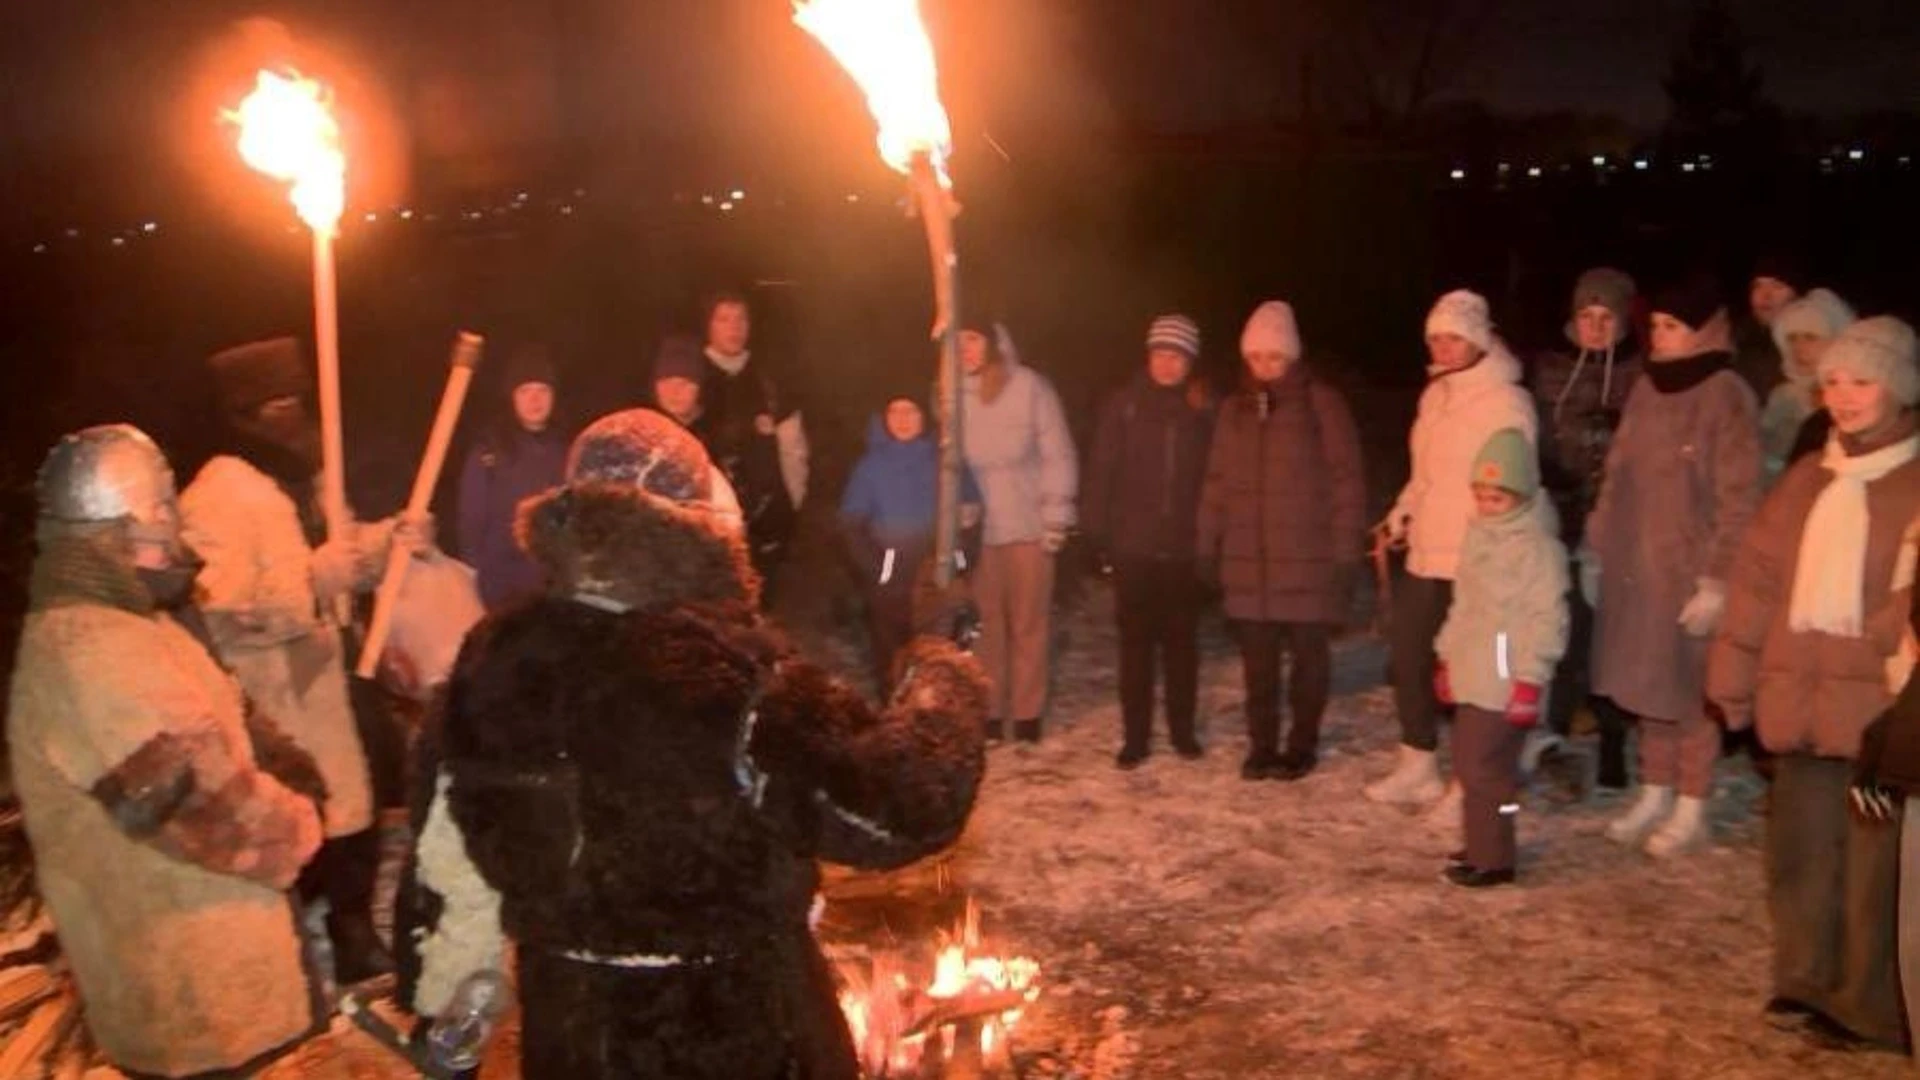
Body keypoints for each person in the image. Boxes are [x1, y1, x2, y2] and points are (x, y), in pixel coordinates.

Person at [414, 409, 990, 1077]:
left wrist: (455, 1002)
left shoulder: (493, 660)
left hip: (576, 1038)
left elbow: (445, 859)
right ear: (702, 524)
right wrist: (941, 672)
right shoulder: (726, 674)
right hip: (739, 1035)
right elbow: (899, 802)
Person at [8, 425, 326, 1077]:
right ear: (117, 528)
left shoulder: (136, 628)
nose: (177, 531)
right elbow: (192, 803)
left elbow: (230, 720)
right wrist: (297, 824)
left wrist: (285, 766)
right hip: (190, 1004)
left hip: (218, 985)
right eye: (161, 510)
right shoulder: (88, 650)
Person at [180, 337, 432, 983]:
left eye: (297, 399)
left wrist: (388, 540)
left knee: (360, 803)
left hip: (333, 676)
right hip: (275, 696)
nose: (291, 416)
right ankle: (293, 940)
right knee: (301, 814)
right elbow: (214, 606)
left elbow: (341, 553)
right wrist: (309, 583)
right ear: (245, 414)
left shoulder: (312, 480)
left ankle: (350, 935)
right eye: (274, 403)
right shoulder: (219, 493)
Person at [1710, 317, 1920, 1052]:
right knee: (1802, 850)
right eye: (1832, 381)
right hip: (1798, 697)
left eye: (1863, 380)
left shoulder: (1914, 483)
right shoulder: (1807, 478)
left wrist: (1889, 628)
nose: (1844, 396)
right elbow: (1756, 585)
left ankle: (1869, 1003)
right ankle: (1803, 976)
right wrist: (1733, 679)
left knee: (1875, 869)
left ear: (1900, 387)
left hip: (1877, 708)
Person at [1584, 273, 1760, 857]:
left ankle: (1693, 803)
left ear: (1704, 331)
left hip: (1688, 571)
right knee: (1646, 686)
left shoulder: (1725, 393)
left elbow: (1739, 496)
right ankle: (1655, 789)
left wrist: (1717, 580)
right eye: (1655, 325)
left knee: (1690, 694)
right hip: (1638, 567)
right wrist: (1598, 544)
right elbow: (1619, 471)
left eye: (1672, 327)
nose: (1659, 337)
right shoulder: (1646, 387)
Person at [1368, 290, 1537, 809]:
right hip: (1425, 552)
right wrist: (1403, 510)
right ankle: (1417, 761)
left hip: (1473, 557)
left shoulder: (1505, 401)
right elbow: (1427, 475)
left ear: (1478, 340)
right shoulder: (1434, 396)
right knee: (1410, 656)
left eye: (1454, 338)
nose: (1443, 348)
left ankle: (1470, 781)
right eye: (1436, 338)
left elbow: (1513, 483)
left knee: (1471, 674)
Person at [1196, 303, 1365, 781]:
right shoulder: (1234, 411)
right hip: (1250, 563)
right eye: (1256, 358)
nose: (1265, 368)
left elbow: (1345, 480)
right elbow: (1216, 481)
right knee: (1259, 667)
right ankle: (1262, 746)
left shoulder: (1321, 404)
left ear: (1292, 357)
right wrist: (1206, 542)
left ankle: (1301, 745)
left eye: (1275, 357)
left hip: (1309, 562)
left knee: (1309, 661)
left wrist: (1345, 552)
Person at [1433, 428, 1569, 887]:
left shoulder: (1537, 550)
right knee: (1472, 766)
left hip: (1506, 680)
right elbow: (1464, 605)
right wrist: (1447, 657)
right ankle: (1483, 839)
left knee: (1486, 769)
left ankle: (1495, 856)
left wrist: (1530, 679)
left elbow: (1547, 619)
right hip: (1474, 672)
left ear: (1523, 496)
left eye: (1498, 499)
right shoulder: (1480, 539)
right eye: (1481, 496)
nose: (1487, 507)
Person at [1084, 314, 1218, 768]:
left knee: (1182, 648)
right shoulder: (1123, 406)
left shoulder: (1203, 411)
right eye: (1161, 354)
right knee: (1135, 649)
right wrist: (1096, 532)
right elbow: (1101, 470)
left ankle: (1182, 733)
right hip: (1133, 547)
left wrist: (1211, 539)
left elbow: (1217, 479)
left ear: (1189, 362)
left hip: (1183, 550)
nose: (1167, 364)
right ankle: (1135, 738)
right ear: (1148, 356)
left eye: (1177, 356)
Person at [1530, 268, 1644, 796]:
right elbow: (1535, 430)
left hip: (1619, 515)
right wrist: (1550, 471)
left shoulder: (1640, 373)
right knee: (1567, 618)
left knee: (1614, 624)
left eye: (1607, 318)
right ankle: (1558, 721)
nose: (1596, 328)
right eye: (1587, 317)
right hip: (1562, 505)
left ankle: (1614, 730)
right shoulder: (1552, 369)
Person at [961, 318, 1078, 743]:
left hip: (1029, 527)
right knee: (985, 625)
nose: (966, 350)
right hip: (981, 533)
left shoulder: (1029, 388)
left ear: (990, 343)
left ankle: (1027, 713)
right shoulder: (950, 394)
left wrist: (1056, 516)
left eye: (972, 340)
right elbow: (947, 466)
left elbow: (1058, 454)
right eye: (958, 343)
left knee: (1028, 623)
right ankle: (989, 709)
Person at [838, 379, 983, 691]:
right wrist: (878, 568)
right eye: (894, 411)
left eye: (911, 411)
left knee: (937, 654)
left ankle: (934, 720)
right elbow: (851, 524)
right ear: (883, 418)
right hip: (891, 572)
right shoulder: (871, 466)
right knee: (892, 654)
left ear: (925, 415)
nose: (903, 419)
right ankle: (895, 715)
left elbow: (970, 517)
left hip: (935, 572)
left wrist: (959, 559)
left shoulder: (946, 461)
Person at [700, 293, 807, 603]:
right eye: (723, 319)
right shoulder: (693, 380)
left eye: (741, 318)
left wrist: (790, 502)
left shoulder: (766, 380)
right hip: (711, 522)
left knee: (761, 605)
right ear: (708, 326)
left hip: (765, 523)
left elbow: (794, 448)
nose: (734, 327)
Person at [456, 344, 567, 612]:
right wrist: (475, 569)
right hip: (502, 584)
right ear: (512, 398)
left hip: (554, 584)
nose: (535, 400)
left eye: (542, 391)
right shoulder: (490, 450)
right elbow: (471, 519)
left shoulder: (567, 448)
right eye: (525, 391)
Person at [1760, 288, 1857, 482]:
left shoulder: (1857, 396)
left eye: (1810, 337)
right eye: (1792, 338)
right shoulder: (1783, 396)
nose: (1799, 348)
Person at [1733, 254, 1808, 401]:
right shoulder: (1735, 344)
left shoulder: (1812, 344)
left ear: (1797, 294)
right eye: (1757, 286)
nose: (1765, 295)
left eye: (1777, 286)